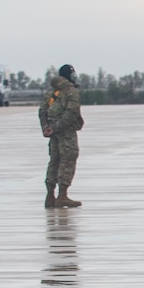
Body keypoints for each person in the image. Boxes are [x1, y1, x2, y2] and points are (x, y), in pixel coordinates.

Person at [40, 64, 84, 208]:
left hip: (53, 133)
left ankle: (50, 196)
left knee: (54, 161)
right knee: (68, 159)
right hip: (66, 133)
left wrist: (47, 128)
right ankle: (62, 196)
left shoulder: (53, 91)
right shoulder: (70, 91)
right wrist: (56, 128)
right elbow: (72, 113)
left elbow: (42, 111)